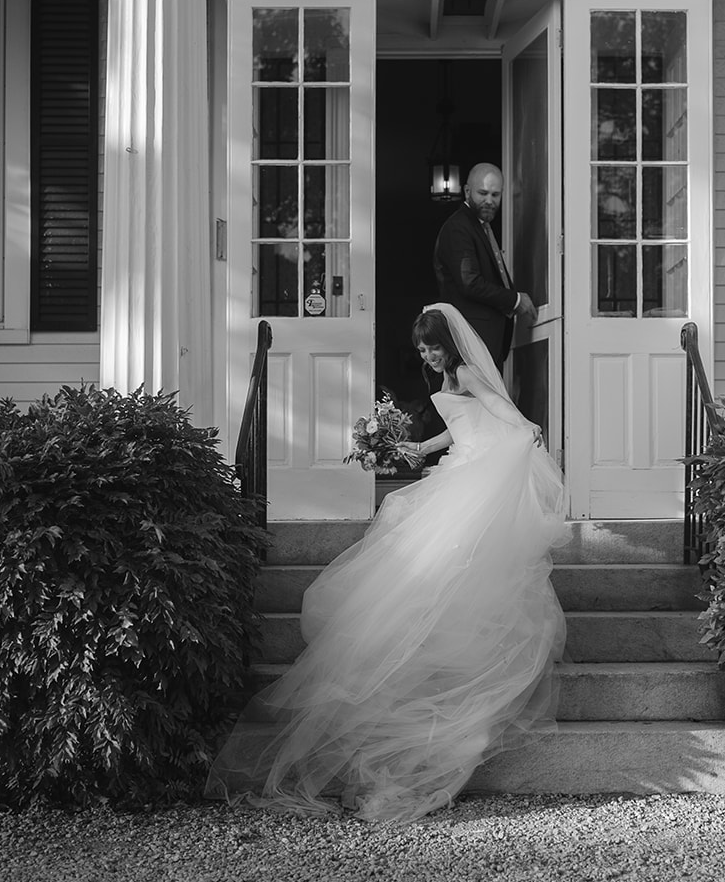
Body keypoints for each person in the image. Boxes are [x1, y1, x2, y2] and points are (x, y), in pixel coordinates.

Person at [206, 303, 569, 824]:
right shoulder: (447, 376)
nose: (428, 355)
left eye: (433, 347)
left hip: (478, 472)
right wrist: (422, 444)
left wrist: (527, 424)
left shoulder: (466, 371)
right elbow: (459, 424)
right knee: (428, 553)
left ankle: (453, 632)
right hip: (461, 463)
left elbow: (496, 406)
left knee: (452, 552)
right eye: (422, 350)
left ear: (451, 343)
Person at [433, 162, 538, 366]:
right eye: (483, 193)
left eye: (495, 195)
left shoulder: (481, 227)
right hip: (470, 340)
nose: (489, 201)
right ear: (466, 191)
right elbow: (469, 282)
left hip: (485, 342)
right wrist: (516, 300)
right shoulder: (458, 228)